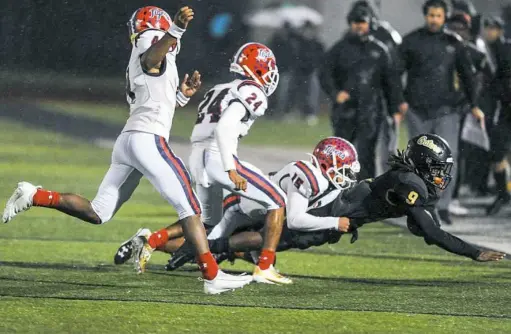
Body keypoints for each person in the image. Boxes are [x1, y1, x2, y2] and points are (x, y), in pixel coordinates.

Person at [1, 6, 253, 295]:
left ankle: (35, 194)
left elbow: (155, 99)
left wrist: (182, 95)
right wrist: (177, 29)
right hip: (148, 139)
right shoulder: (151, 46)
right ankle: (211, 276)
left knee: (99, 212)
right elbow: (151, 58)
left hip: (130, 140)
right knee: (192, 207)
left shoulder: (154, 55)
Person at [117, 42, 290, 285]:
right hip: (218, 157)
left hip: (197, 156)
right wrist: (230, 168)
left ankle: (153, 239)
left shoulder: (220, 88)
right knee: (278, 200)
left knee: (205, 223)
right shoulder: (253, 91)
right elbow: (225, 127)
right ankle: (265, 267)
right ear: (259, 69)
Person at [184, 135, 506, 264]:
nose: (440, 177)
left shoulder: (408, 179)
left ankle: (215, 244)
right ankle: (210, 247)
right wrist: (475, 252)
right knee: (281, 237)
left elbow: (423, 227)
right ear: (422, 165)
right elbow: (432, 233)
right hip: (333, 209)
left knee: (280, 236)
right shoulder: (409, 182)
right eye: (436, 170)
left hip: (341, 207)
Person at [145, 136, 360, 270]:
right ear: (327, 163)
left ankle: (238, 255)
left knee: (265, 245)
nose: (347, 174)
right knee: (197, 250)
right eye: (345, 168)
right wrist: (334, 223)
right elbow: (295, 220)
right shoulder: (308, 176)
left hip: (255, 216)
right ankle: (150, 241)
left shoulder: (324, 183)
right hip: (237, 208)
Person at [399, 0, 484, 225]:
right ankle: (420, 206)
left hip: (447, 110)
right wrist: (399, 102)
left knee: (447, 159)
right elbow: (395, 74)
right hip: (417, 110)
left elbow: (468, 76)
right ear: (425, 16)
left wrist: (474, 105)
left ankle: (443, 206)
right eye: (431, 15)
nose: (434, 19)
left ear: (444, 17)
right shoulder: (411, 41)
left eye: (438, 15)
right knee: (419, 160)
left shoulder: (454, 43)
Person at [319, 5, 406, 181]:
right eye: (355, 22)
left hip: (371, 110)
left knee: (366, 154)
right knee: (341, 152)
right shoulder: (339, 49)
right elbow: (324, 74)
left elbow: (391, 81)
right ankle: (340, 188)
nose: (359, 26)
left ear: (370, 24)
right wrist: (335, 93)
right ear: (350, 23)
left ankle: (365, 191)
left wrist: (395, 107)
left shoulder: (380, 50)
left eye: (363, 22)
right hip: (345, 110)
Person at [485, 19, 511, 215]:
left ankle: (504, 193)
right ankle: (503, 193)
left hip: (504, 108)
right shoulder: (492, 50)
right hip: (502, 109)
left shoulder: (504, 50)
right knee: (497, 154)